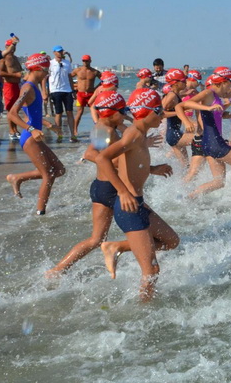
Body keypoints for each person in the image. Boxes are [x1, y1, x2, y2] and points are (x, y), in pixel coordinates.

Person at [96, 88, 180, 302]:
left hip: (139, 204)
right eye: (158, 111)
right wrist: (122, 192)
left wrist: (153, 169)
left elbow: (129, 163)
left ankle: (116, 246)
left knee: (171, 241)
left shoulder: (139, 134)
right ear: (146, 112)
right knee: (151, 271)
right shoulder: (132, 134)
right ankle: (144, 311)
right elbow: (102, 159)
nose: (162, 116)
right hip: (128, 208)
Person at [46, 91, 128, 277]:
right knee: (141, 231)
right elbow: (90, 154)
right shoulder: (104, 130)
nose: (124, 115)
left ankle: (58, 270)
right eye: (122, 111)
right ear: (111, 112)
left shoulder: (107, 126)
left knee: (97, 239)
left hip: (103, 186)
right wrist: (112, 163)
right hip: (110, 188)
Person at [175, 67, 231, 196]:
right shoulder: (208, 93)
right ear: (224, 81)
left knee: (219, 182)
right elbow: (181, 106)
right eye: (230, 82)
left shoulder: (216, 97)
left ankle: (187, 198)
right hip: (214, 143)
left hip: (211, 143)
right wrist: (187, 122)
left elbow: (220, 114)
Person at [5, 54, 66, 215]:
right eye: (46, 70)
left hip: (34, 134)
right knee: (48, 175)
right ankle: (40, 213)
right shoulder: (27, 88)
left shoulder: (34, 86)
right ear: (38, 68)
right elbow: (12, 114)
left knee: (59, 170)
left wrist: (48, 125)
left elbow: (31, 114)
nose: (48, 74)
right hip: (29, 137)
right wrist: (32, 129)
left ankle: (17, 178)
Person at [160, 68, 194, 167]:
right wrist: (179, 112)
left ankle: (182, 182)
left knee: (186, 166)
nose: (186, 83)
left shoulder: (174, 94)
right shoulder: (171, 96)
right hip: (174, 135)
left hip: (174, 133)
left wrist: (186, 94)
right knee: (202, 139)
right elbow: (160, 114)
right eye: (183, 81)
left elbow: (176, 96)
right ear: (175, 83)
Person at [48, 45, 78, 143]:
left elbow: (70, 77)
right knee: (58, 113)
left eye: (61, 51)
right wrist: (46, 91)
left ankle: (73, 135)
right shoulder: (50, 63)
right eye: (58, 51)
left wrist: (73, 91)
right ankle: (59, 135)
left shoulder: (67, 63)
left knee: (69, 112)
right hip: (55, 90)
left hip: (67, 90)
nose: (60, 53)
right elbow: (46, 76)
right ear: (54, 53)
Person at [0, 35, 23, 142]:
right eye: (11, 46)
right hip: (9, 86)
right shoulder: (3, 59)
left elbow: (20, 70)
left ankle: (15, 129)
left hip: (17, 85)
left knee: (16, 109)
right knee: (10, 109)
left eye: (14, 46)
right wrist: (15, 75)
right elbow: (1, 72)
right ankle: (11, 130)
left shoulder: (15, 58)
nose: (13, 48)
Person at [72, 54, 101, 134]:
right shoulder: (78, 70)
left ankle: (98, 130)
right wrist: (73, 87)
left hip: (91, 94)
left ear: (90, 61)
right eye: (83, 61)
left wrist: (97, 88)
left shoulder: (94, 72)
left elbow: (104, 80)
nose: (85, 62)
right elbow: (68, 78)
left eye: (86, 61)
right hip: (80, 94)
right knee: (79, 112)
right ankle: (74, 130)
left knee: (94, 112)